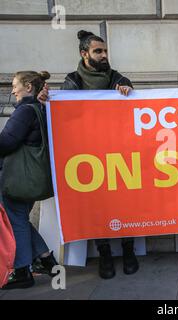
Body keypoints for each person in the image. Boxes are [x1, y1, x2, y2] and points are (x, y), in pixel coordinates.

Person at [38, 30, 138, 280]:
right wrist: (44, 101)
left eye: (105, 51)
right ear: (84, 54)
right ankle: (104, 254)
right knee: (96, 207)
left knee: (127, 205)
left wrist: (127, 90)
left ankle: (128, 251)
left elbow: (134, 101)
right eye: (98, 51)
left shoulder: (117, 77)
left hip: (119, 156)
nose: (104, 55)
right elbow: (59, 116)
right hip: (87, 159)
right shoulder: (72, 82)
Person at [0, 71, 59, 290]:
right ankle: (46, 259)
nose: (12, 90)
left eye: (15, 86)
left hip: (17, 178)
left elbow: (6, 143)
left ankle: (23, 271)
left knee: (16, 222)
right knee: (19, 220)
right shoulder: (37, 109)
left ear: (28, 87)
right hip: (28, 178)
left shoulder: (24, 111)